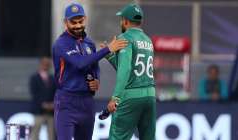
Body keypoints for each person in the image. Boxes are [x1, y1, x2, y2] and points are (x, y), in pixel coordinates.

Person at [52, 3, 128, 140]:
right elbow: (80, 63)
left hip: (87, 102)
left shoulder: (89, 43)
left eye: (80, 21)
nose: (77, 25)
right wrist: (108, 49)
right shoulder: (61, 43)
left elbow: (94, 66)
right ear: (65, 22)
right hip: (66, 101)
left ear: (85, 19)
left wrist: (96, 79)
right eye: (73, 22)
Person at [104, 3, 156, 140]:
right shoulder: (148, 40)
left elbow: (125, 70)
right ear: (141, 21)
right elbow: (131, 68)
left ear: (125, 21)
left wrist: (115, 97)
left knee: (117, 137)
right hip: (150, 95)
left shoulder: (125, 38)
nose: (121, 22)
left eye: (121, 19)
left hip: (130, 96)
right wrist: (110, 56)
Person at [29, 57, 56, 140]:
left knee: (51, 134)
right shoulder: (34, 78)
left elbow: (56, 93)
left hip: (51, 111)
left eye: (48, 64)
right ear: (40, 65)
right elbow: (34, 94)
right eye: (44, 64)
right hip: (39, 110)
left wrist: (53, 104)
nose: (46, 66)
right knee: (35, 133)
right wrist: (42, 104)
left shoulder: (53, 78)